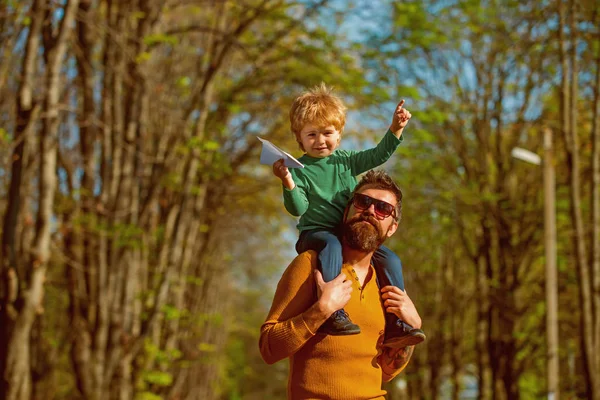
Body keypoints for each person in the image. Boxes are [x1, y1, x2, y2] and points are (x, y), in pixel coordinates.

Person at [271, 83, 424, 347]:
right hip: (316, 234)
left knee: (390, 258)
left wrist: (396, 128)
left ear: (339, 135)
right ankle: (333, 311)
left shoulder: (346, 161)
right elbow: (298, 208)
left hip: (343, 233)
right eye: (312, 135)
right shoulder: (299, 169)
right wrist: (287, 180)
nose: (320, 141)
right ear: (299, 139)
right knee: (330, 245)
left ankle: (396, 321)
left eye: (327, 133)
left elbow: (378, 154)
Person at [260, 170, 422, 399]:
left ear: (392, 227)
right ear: (347, 211)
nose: (370, 211)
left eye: (383, 209)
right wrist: (321, 311)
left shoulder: (387, 283)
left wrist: (412, 327)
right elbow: (269, 349)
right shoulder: (310, 265)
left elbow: (386, 372)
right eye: (363, 201)